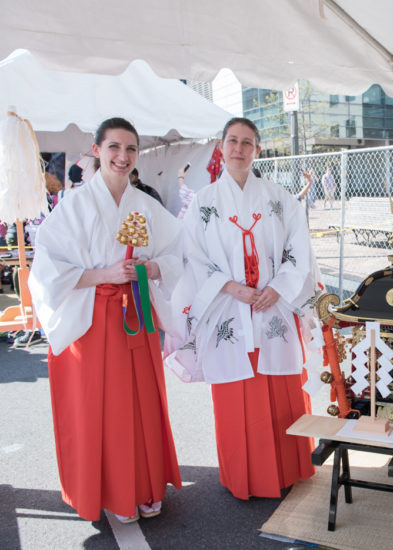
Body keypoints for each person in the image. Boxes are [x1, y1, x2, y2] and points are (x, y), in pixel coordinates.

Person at [28, 117, 183, 523]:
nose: (122, 156)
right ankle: (114, 492)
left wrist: (150, 267)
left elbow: (179, 255)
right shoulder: (74, 205)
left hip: (137, 313)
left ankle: (147, 486)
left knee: (142, 401)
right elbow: (46, 269)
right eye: (114, 147)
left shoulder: (146, 205)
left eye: (130, 149)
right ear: (96, 150)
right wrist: (104, 276)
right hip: (91, 318)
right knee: (103, 407)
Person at [164, 117, 316, 500]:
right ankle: (244, 477)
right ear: (221, 146)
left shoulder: (281, 199)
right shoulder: (204, 202)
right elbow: (193, 258)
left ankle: (287, 470)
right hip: (227, 310)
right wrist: (229, 287)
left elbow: (299, 251)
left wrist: (279, 288)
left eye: (247, 142)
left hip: (272, 308)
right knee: (237, 397)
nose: (239, 148)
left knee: (279, 392)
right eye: (232, 141)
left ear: (258, 150)